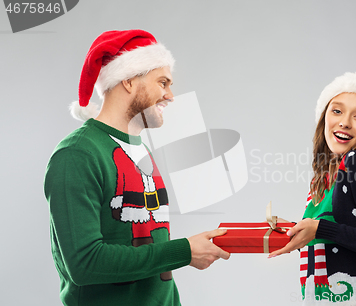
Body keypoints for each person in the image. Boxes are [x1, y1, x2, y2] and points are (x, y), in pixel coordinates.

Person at [44, 29, 230, 306]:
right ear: (129, 80)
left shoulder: (139, 150)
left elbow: (154, 254)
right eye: (163, 82)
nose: (170, 95)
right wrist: (184, 251)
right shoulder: (77, 155)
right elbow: (85, 263)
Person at [268, 72, 356, 305]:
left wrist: (321, 230)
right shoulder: (325, 180)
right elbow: (339, 240)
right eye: (337, 111)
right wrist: (297, 232)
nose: (345, 122)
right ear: (324, 116)